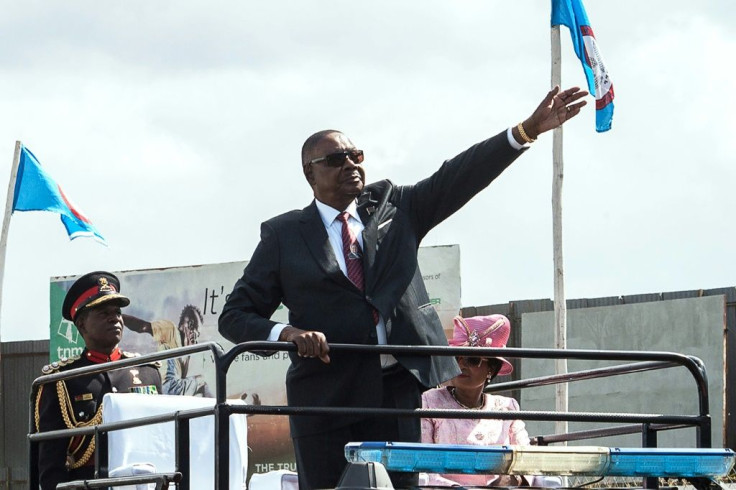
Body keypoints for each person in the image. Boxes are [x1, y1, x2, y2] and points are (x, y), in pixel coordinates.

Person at [218, 86, 587, 489]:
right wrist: (286, 334)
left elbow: (457, 176)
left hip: (396, 394)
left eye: (356, 156)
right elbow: (235, 315)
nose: (351, 165)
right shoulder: (283, 236)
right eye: (336, 160)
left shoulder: (397, 208)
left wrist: (526, 130)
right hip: (325, 398)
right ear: (310, 172)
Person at [34, 271, 162, 490]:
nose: (115, 318)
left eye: (117, 312)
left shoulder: (148, 372)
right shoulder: (62, 381)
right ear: (82, 324)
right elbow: (50, 464)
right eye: (104, 313)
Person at [421, 314, 530, 487]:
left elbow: (528, 460)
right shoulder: (429, 401)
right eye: (457, 357)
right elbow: (422, 469)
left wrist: (511, 480)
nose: (461, 365)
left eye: (472, 359)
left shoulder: (508, 407)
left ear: (491, 368)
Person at [125, 305, 214, 397]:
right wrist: (118, 317)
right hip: (164, 386)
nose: (196, 339)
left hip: (168, 390)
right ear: (189, 325)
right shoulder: (170, 329)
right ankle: (220, 408)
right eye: (196, 333)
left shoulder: (185, 355)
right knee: (201, 382)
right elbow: (142, 327)